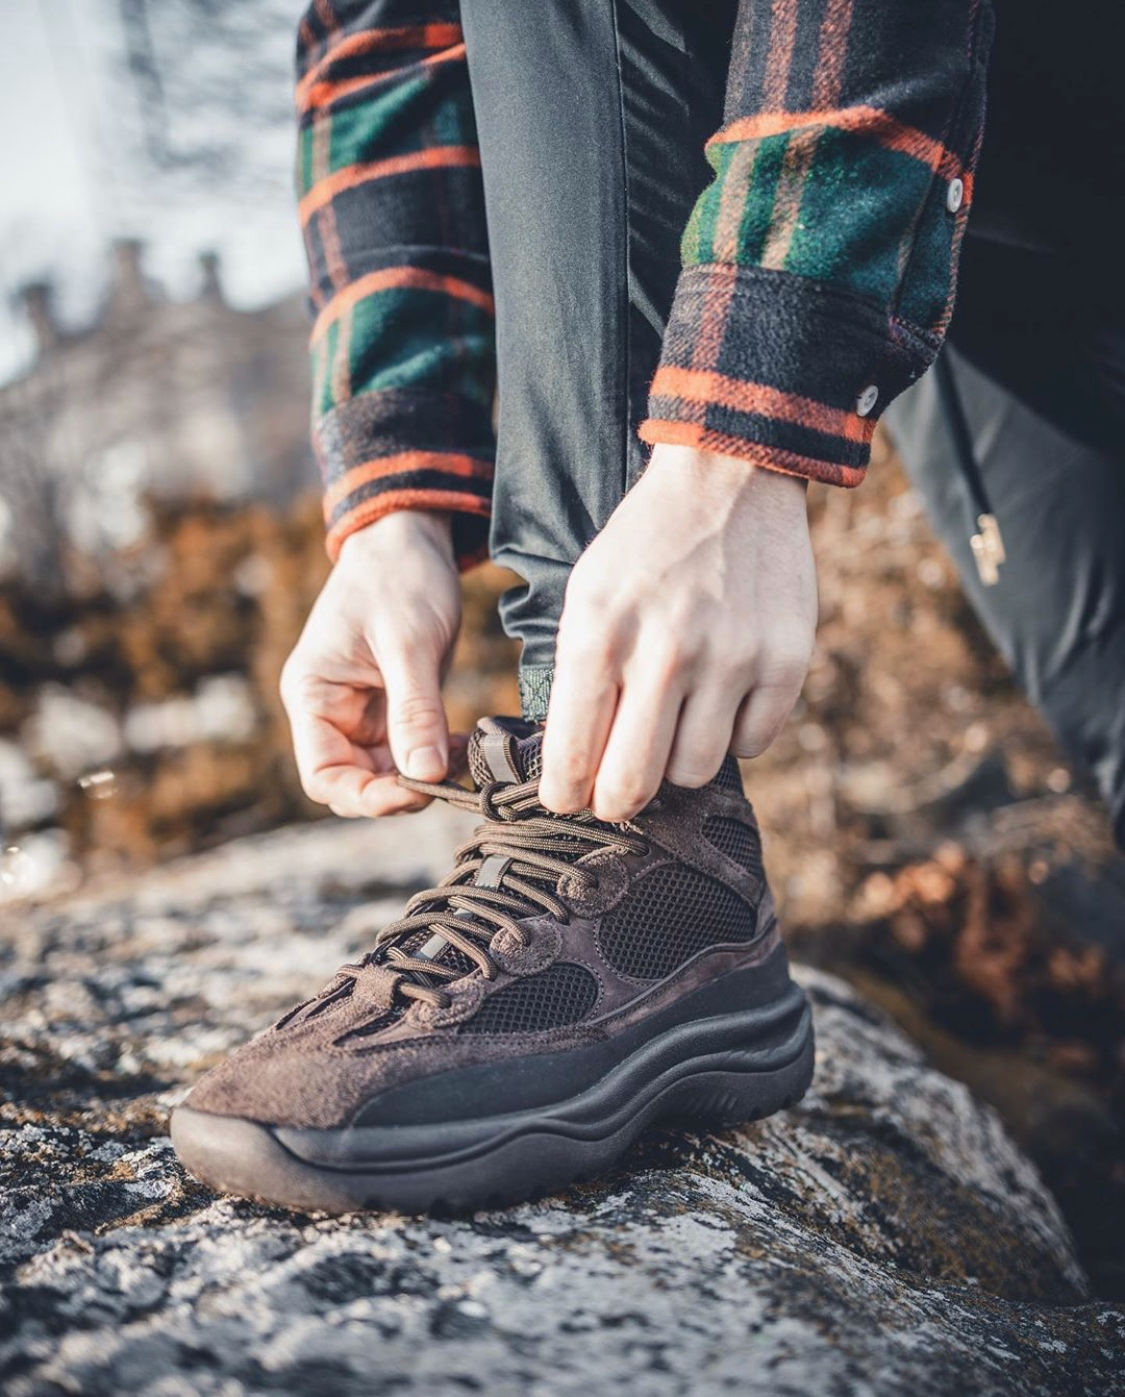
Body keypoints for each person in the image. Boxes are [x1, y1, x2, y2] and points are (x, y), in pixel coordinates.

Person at [171, 0, 1125, 1213]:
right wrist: (392, 500)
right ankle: (660, 867)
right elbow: (386, 38)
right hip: (961, 220)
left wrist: (739, 437)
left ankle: (636, 825)